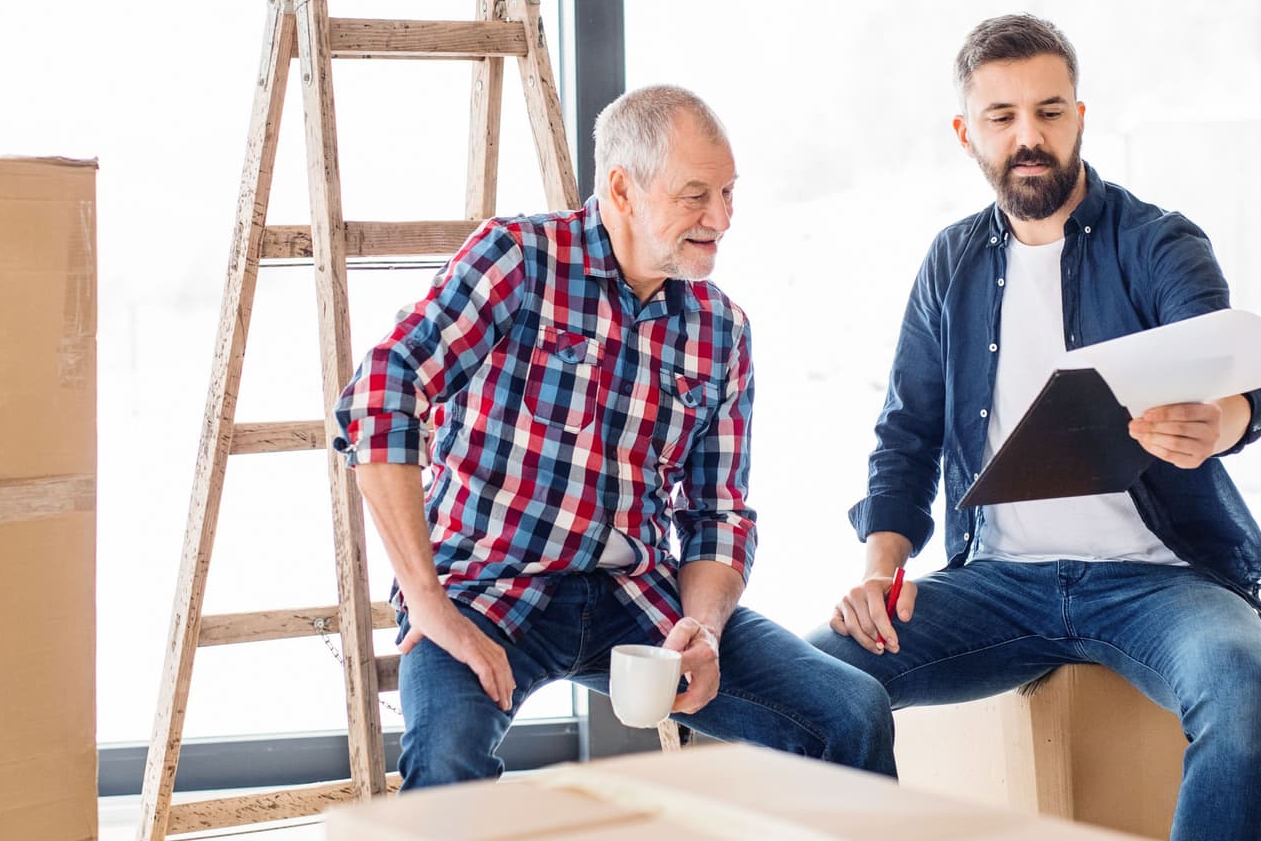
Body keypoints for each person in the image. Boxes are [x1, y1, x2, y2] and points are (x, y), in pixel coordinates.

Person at [808, 15, 1261, 840]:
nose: (1029, 137)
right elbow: (907, 434)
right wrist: (880, 569)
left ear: (1080, 116)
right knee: (809, 678)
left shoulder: (1159, 243)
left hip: (1160, 581)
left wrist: (1220, 421)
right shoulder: (950, 263)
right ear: (968, 133)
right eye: (1002, 117)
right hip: (997, 584)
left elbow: (1239, 377)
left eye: (1050, 111)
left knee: (1241, 691)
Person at [335, 84, 894, 788]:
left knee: (852, 711)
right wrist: (426, 600)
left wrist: (705, 631)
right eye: (696, 195)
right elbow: (382, 394)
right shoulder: (518, 259)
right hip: (486, 587)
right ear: (622, 189)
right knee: (447, 764)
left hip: (638, 600)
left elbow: (718, 516)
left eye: (728, 193)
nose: (720, 218)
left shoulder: (722, 330)